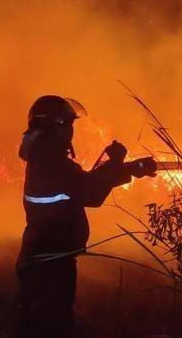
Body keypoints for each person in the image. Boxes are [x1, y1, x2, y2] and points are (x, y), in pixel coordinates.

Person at [15, 95, 157, 338]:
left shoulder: (46, 158)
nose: (70, 131)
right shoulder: (52, 162)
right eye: (66, 124)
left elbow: (83, 186)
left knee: (41, 325)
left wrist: (130, 169)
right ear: (52, 126)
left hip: (46, 260)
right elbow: (91, 193)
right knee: (51, 328)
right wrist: (117, 164)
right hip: (49, 265)